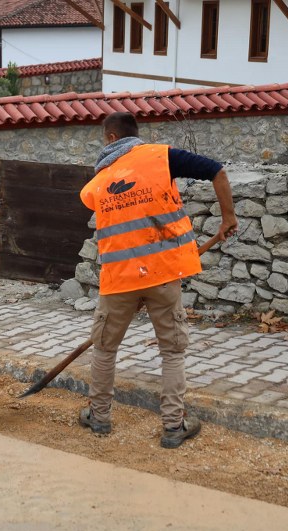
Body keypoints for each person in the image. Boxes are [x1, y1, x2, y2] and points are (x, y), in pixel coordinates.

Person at [78, 112, 238, 449]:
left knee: (105, 349)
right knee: (172, 352)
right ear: (136, 135)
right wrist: (228, 217)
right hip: (164, 274)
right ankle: (173, 426)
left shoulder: (97, 182)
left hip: (119, 279)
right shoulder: (161, 156)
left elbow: (91, 203)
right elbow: (216, 170)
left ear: (110, 138)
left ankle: (100, 417)